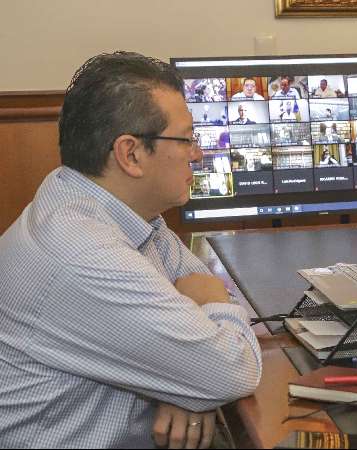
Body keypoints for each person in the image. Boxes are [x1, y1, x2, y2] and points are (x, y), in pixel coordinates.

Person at [0, 51, 262, 448]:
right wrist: (196, 375)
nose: (198, 153)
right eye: (187, 138)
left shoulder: (110, 206)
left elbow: (195, 279)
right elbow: (232, 371)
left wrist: (184, 384)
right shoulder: (80, 250)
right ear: (131, 154)